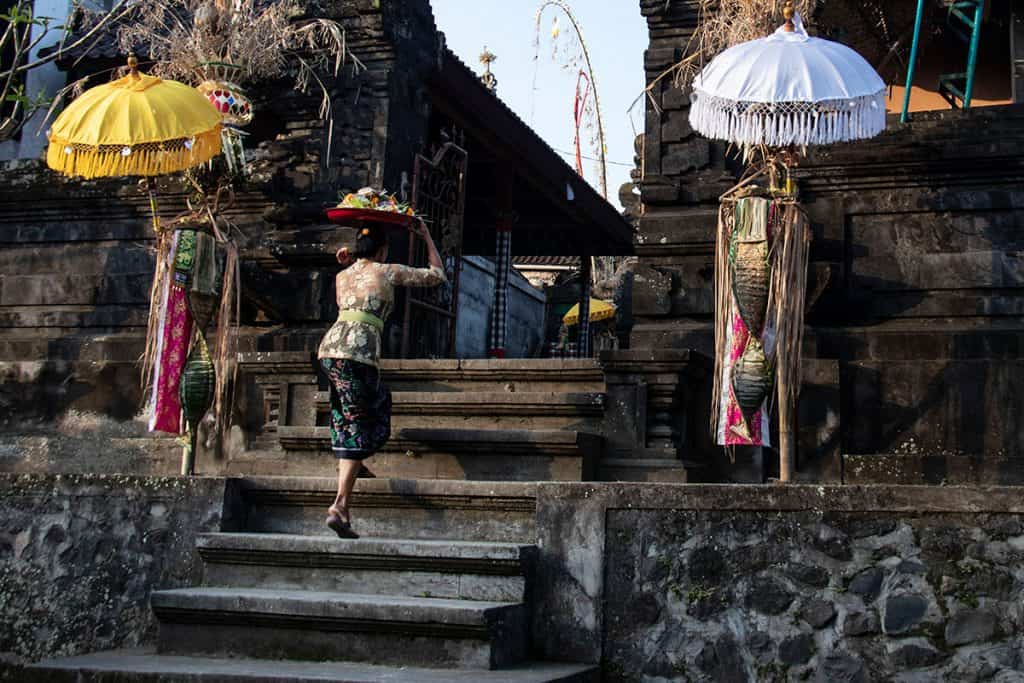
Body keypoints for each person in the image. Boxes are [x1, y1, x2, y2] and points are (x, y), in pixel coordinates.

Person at [318, 220, 446, 538]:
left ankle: (354, 468)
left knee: (351, 415)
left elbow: (356, 285)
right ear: (383, 249)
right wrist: (426, 235)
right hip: (358, 355)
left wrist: (350, 259)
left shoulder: (341, 275)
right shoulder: (388, 271)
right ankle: (340, 504)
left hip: (329, 351)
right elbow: (436, 275)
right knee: (361, 422)